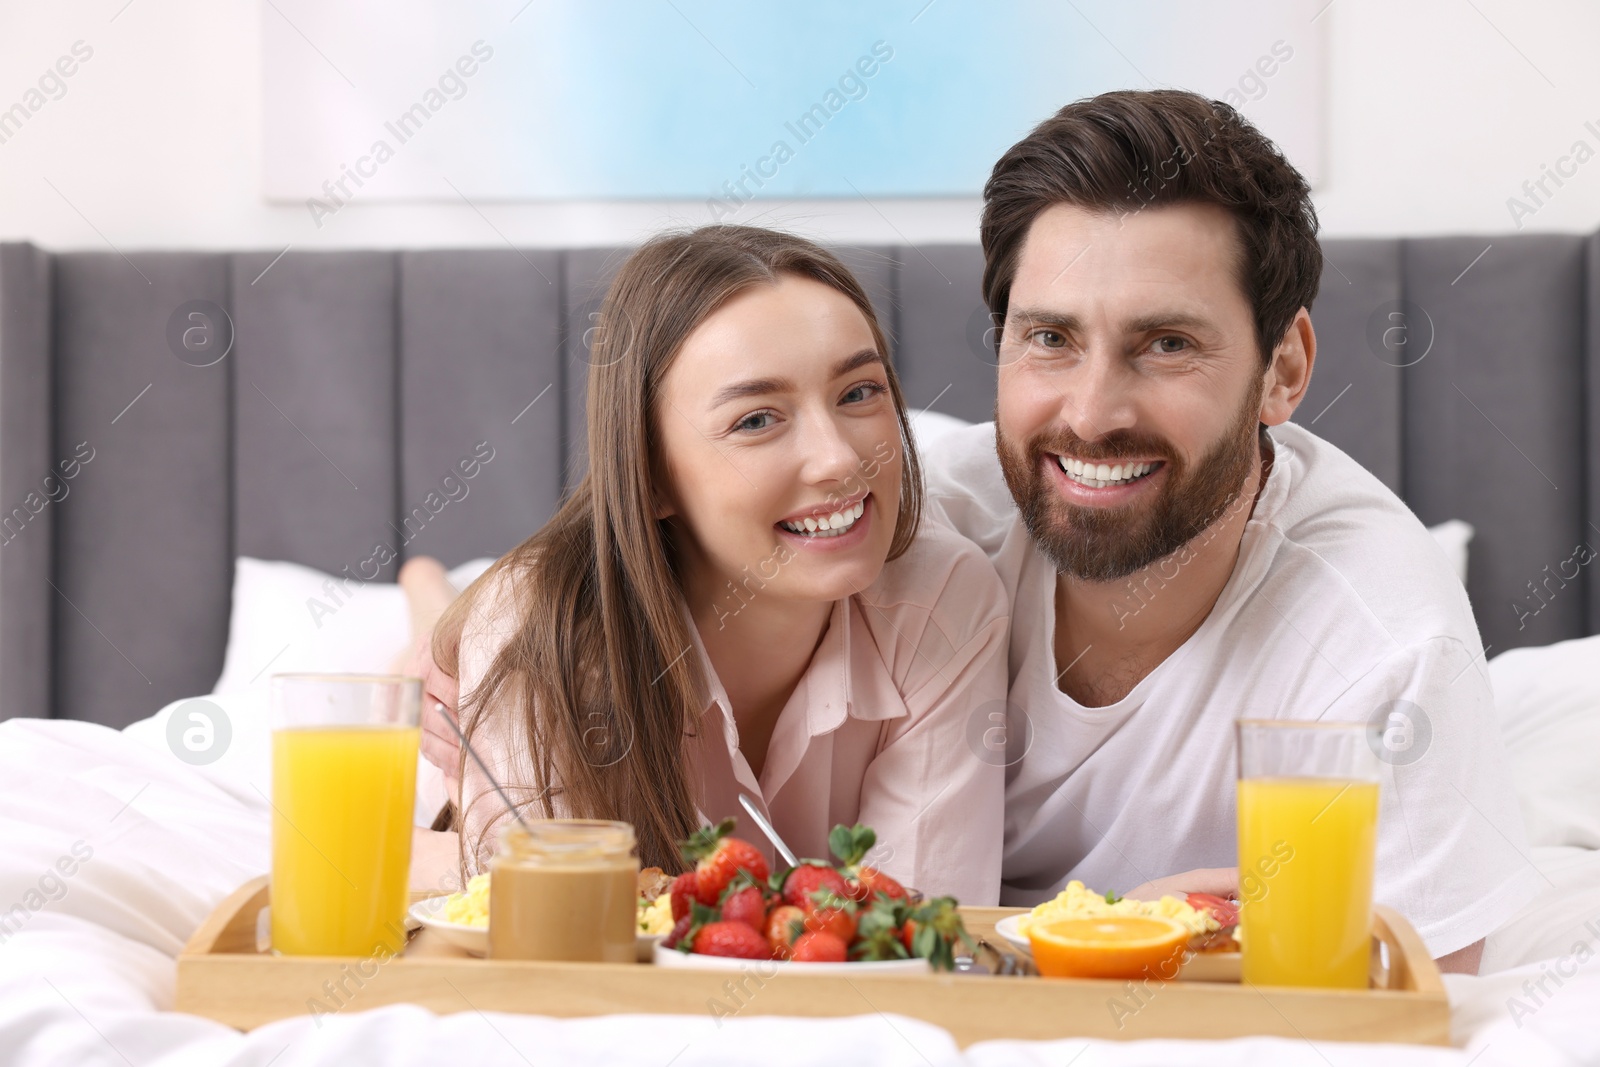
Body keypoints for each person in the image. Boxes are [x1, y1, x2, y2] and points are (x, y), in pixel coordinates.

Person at [921, 89, 1537, 971]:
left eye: (1166, 343)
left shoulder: (1386, 640)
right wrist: (1110, 936)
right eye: (1050, 337)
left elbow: (1413, 1008)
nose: (1092, 415)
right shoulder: (922, 541)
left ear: (1283, 370)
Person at [411, 225, 1008, 903]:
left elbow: (917, 932)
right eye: (757, 420)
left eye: (858, 392)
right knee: (440, 637)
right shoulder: (532, 629)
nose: (841, 459)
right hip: (470, 721)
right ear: (652, 475)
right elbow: (551, 930)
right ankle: (424, 588)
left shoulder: (947, 598)